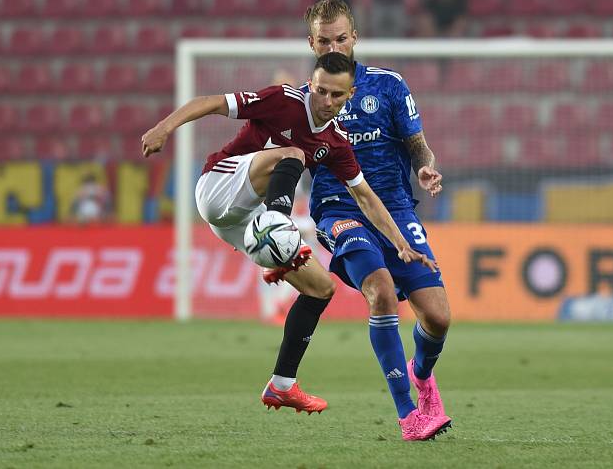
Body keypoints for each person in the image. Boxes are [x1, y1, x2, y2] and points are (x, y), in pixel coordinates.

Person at [141, 52, 450, 440]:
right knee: (292, 155)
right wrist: (164, 128)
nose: (325, 100)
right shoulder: (285, 101)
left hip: (241, 221)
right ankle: (278, 226)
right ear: (312, 83)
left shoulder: (336, 144)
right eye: (319, 90)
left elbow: (368, 198)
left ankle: (282, 383)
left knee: (323, 288)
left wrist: (401, 245)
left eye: (335, 95)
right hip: (218, 187)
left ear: (349, 95)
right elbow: (212, 103)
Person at [270, 0, 453, 441]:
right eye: (324, 40)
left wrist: (426, 165)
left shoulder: (389, 85)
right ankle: (409, 414)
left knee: (439, 317)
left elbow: (417, 145)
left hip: (395, 208)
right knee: (381, 291)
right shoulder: (302, 101)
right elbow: (284, 161)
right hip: (338, 210)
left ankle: (422, 375)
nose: (334, 46)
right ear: (312, 43)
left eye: (341, 38)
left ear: (354, 37)